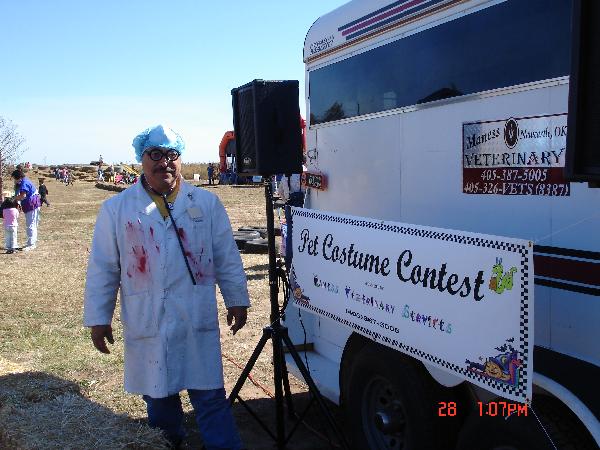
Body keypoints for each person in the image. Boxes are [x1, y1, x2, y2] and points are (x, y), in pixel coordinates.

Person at [84, 124, 249, 449]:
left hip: (195, 318)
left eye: (171, 154)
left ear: (180, 159)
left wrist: (236, 298)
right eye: (155, 155)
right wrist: (98, 318)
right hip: (148, 322)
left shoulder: (206, 203)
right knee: (160, 405)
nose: (164, 163)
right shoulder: (117, 210)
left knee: (211, 400)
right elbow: (104, 267)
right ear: (141, 159)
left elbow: (226, 255)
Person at [11, 169, 41, 251]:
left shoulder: (24, 183)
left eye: (14, 179)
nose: (14, 181)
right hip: (31, 205)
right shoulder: (24, 181)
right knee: (32, 224)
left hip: (32, 205)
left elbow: (23, 196)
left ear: (18, 177)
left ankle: (31, 244)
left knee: (31, 224)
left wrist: (13, 199)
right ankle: (31, 242)